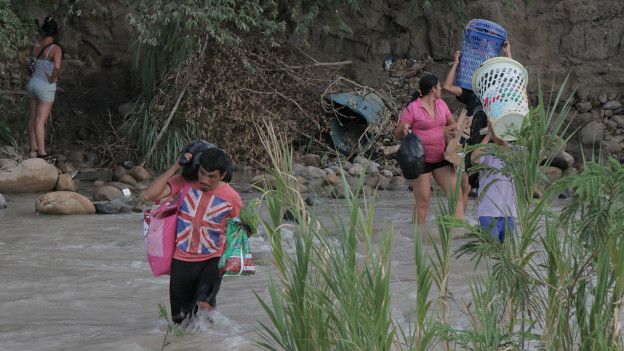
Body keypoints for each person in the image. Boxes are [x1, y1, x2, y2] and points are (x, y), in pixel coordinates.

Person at [142, 147, 242, 324]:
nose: (204, 180)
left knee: (204, 305)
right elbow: (150, 195)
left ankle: (217, 341)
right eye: (202, 173)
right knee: (180, 321)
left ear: (223, 175)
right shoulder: (184, 182)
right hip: (181, 260)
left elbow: (238, 230)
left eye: (212, 176)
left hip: (212, 259)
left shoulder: (232, 197)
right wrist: (175, 166)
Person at [443, 41, 512, 210]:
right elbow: (447, 86)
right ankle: (462, 225)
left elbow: (513, 79)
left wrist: (507, 53)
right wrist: (456, 64)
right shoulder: (472, 95)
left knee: (489, 186)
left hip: (491, 146)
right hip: (469, 144)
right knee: (465, 187)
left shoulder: (499, 96)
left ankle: (487, 219)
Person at [394, 74, 463, 224]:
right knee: (423, 201)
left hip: (441, 158)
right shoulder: (413, 107)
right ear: (433, 89)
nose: (441, 90)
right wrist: (404, 129)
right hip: (420, 160)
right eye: (439, 87)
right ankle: (415, 237)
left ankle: (457, 233)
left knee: (456, 195)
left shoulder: (441, 104)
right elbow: (397, 133)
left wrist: (451, 130)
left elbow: (452, 124)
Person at [471, 121, 517, 242]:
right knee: (490, 253)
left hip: (510, 213)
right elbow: (474, 158)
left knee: (507, 255)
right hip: (489, 212)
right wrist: (488, 136)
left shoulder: (516, 152)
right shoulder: (486, 150)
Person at [25, 17, 62, 160]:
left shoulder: (35, 45)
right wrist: (52, 79)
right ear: (55, 32)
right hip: (45, 87)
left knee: (32, 117)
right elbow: (57, 67)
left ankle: (33, 148)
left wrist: (27, 68)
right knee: (41, 120)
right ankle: (42, 153)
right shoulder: (55, 48)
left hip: (32, 84)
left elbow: (21, 56)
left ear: (43, 30)